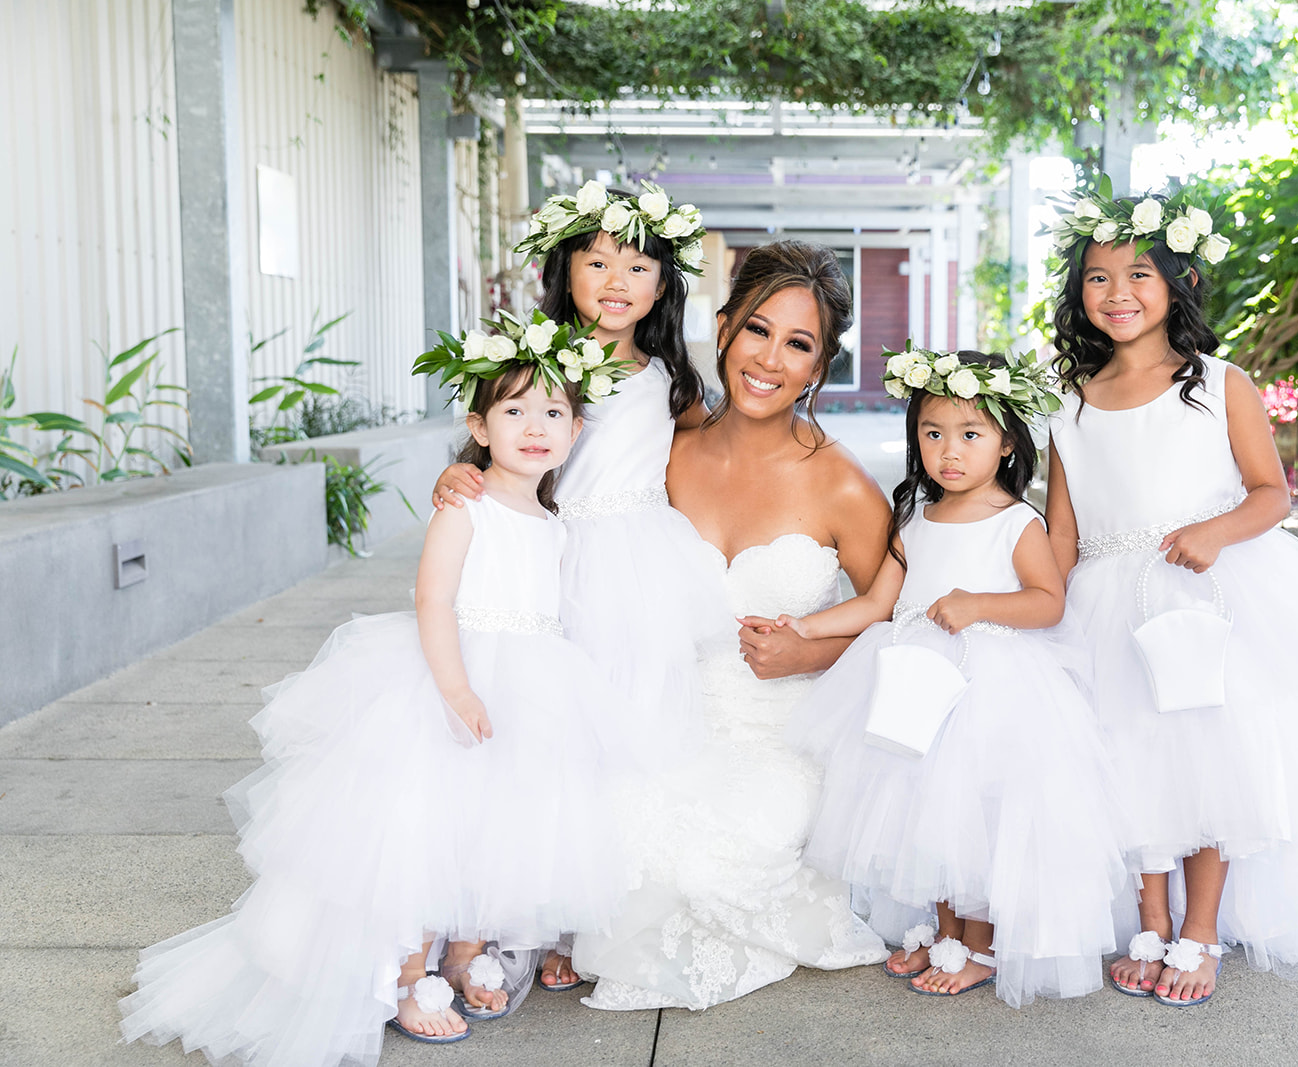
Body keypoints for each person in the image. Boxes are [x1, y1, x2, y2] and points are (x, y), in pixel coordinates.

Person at [120, 318, 631, 1064]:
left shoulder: (550, 520)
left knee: (499, 827)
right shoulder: (467, 505)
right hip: (455, 677)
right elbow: (434, 599)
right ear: (478, 427)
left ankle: (467, 951)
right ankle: (409, 970)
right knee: (428, 831)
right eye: (514, 410)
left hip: (533, 691)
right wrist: (455, 690)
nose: (535, 427)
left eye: (553, 412)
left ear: (575, 430)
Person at [1043, 188, 1298, 1008]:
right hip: (1104, 599)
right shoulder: (1070, 403)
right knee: (1127, 755)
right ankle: (1150, 917)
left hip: (1199, 591)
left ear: (1178, 281)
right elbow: (1064, 529)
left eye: (1138, 274)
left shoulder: (1218, 383)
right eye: (1098, 278)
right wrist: (1043, 602)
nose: (1116, 293)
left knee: (1205, 757)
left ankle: (1200, 927)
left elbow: (1270, 492)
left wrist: (1214, 532)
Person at [571, 240, 892, 1011]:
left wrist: (810, 649)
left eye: (798, 344)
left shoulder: (843, 485)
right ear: (722, 329)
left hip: (781, 735)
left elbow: (901, 617)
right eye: (757, 330)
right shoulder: (666, 452)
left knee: (704, 863)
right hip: (666, 718)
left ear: (819, 366)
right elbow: (559, 493)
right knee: (617, 836)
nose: (770, 359)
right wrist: (468, 473)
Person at [430, 181, 721, 991]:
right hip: (549, 558)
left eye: (638, 266)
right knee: (547, 736)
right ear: (565, 271)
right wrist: (455, 474)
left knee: (626, 727)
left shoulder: (672, 378)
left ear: (662, 285)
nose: (616, 280)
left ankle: (597, 916)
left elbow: (703, 458)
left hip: (638, 568)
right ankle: (542, 909)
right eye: (597, 262)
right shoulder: (537, 363)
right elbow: (494, 439)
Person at [779, 348, 1132, 1006]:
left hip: (990, 689)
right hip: (917, 686)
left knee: (979, 813)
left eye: (971, 435)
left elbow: (1048, 602)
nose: (949, 450)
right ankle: (945, 931)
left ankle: (982, 944)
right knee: (925, 808)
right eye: (933, 433)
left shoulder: (1017, 522)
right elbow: (877, 604)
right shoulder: (915, 519)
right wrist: (803, 625)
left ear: (1006, 444)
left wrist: (979, 604)